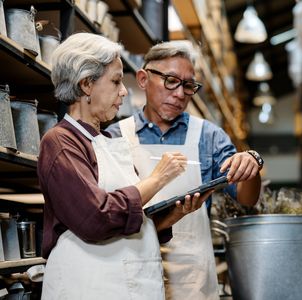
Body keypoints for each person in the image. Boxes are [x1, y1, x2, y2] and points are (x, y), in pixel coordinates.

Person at [37, 33, 210, 299]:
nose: (124, 91)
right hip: (88, 287)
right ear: (86, 84)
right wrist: (157, 179)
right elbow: (96, 217)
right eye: (116, 80)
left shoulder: (107, 141)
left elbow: (127, 220)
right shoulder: (61, 142)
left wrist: (165, 220)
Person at [107, 40, 262, 300]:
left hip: (192, 278)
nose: (180, 94)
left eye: (188, 85)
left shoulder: (209, 137)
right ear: (143, 79)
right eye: (171, 80)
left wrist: (252, 167)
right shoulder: (115, 137)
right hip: (132, 271)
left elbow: (247, 198)